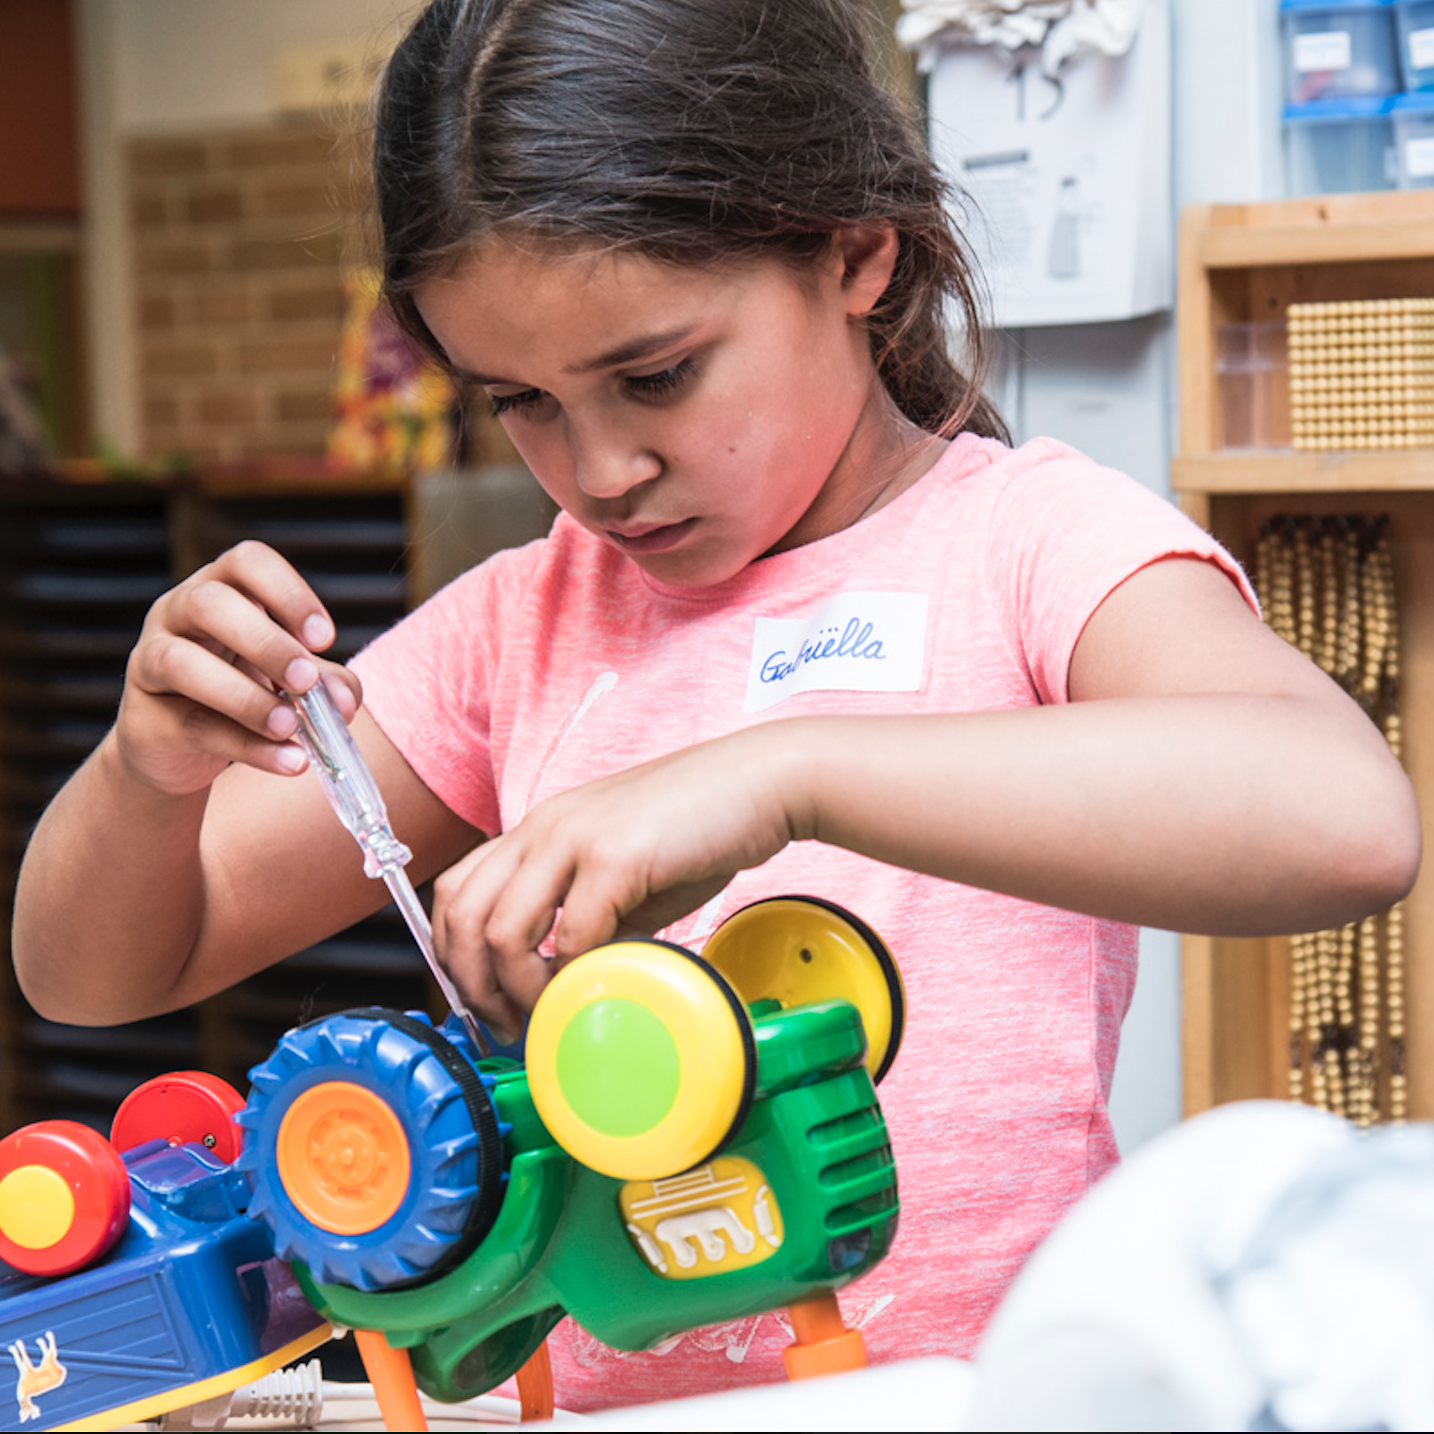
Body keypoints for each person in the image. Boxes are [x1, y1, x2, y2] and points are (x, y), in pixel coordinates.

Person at [12, 0, 1420, 1413]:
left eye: (656, 376)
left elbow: (1343, 821)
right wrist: (147, 770)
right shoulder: (521, 622)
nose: (601, 469)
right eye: (522, 401)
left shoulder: (1032, 548)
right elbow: (99, 974)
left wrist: (787, 773)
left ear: (854, 252)